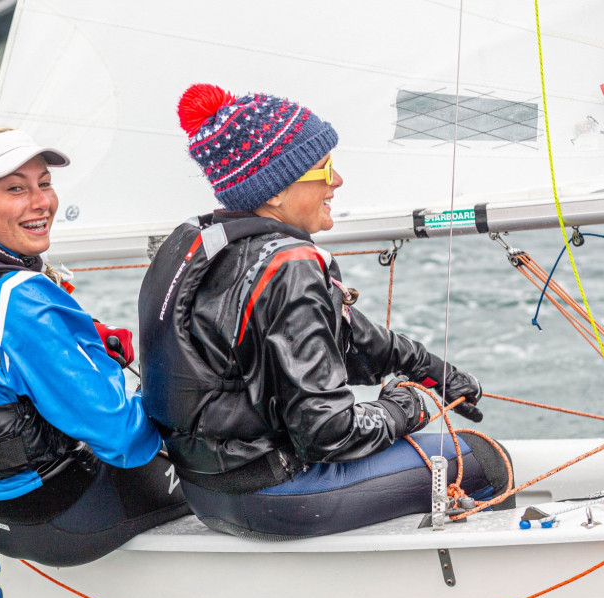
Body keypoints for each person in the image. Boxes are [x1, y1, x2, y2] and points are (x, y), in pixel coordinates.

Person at [138, 84, 514, 540]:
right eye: (323, 169)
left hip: (204, 495)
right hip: (278, 497)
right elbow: (328, 433)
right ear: (275, 191)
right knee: (488, 458)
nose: (336, 181)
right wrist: (406, 407)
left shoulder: (195, 250)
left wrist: (430, 368)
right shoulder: (288, 265)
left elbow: (345, 337)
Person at [0, 127, 189, 566]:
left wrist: (80, 341)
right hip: (64, 518)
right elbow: (124, 438)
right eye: (16, 189)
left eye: (44, 184)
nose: (41, 202)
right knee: (234, 473)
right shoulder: (22, 299)